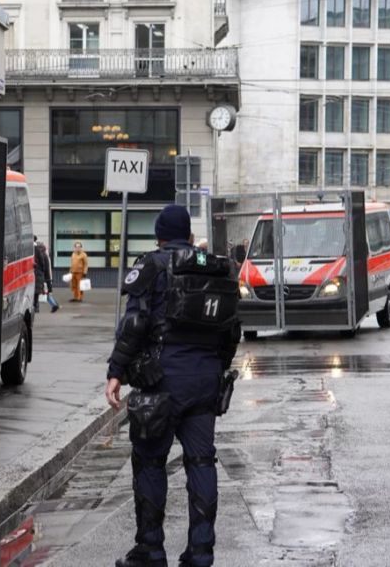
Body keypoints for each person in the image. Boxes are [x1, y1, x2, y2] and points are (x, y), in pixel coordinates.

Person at [106, 205, 240, 567]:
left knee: (150, 462)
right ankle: (201, 552)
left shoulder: (152, 265)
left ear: (159, 235)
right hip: (205, 381)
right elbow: (232, 329)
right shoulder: (217, 268)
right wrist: (216, 368)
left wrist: (116, 371)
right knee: (201, 462)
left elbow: (134, 325)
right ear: (190, 235)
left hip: (160, 381)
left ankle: (150, 549)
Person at [33, 237, 59, 314]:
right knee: (44, 292)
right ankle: (53, 304)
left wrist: (48, 281)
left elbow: (46, 269)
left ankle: (53, 305)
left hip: (41, 277)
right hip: (43, 277)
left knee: (41, 293)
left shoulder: (40, 254)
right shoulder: (44, 254)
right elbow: (47, 270)